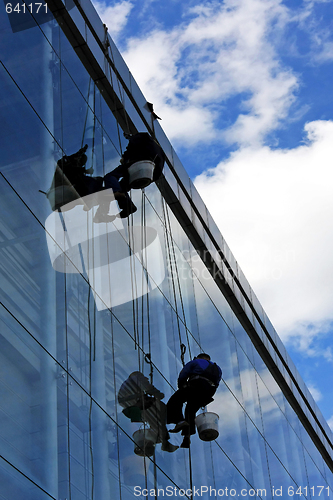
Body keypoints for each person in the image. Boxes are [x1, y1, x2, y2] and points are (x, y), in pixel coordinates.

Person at [166, 353, 222, 448]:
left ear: (198, 357)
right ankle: (187, 437)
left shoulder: (196, 362)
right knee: (190, 411)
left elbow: (184, 374)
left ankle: (179, 421)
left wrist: (181, 386)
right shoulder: (218, 369)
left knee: (175, 400)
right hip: (207, 392)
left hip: (196, 385)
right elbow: (216, 384)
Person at [118, 371, 178, 454]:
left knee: (156, 419)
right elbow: (148, 387)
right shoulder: (136, 378)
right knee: (160, 410)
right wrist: (157, 394)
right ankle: (162, 441)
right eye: (145, 378)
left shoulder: (128, 386)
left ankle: (161, 440)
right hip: (135, 404)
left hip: (134, 405)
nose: (146, 379)